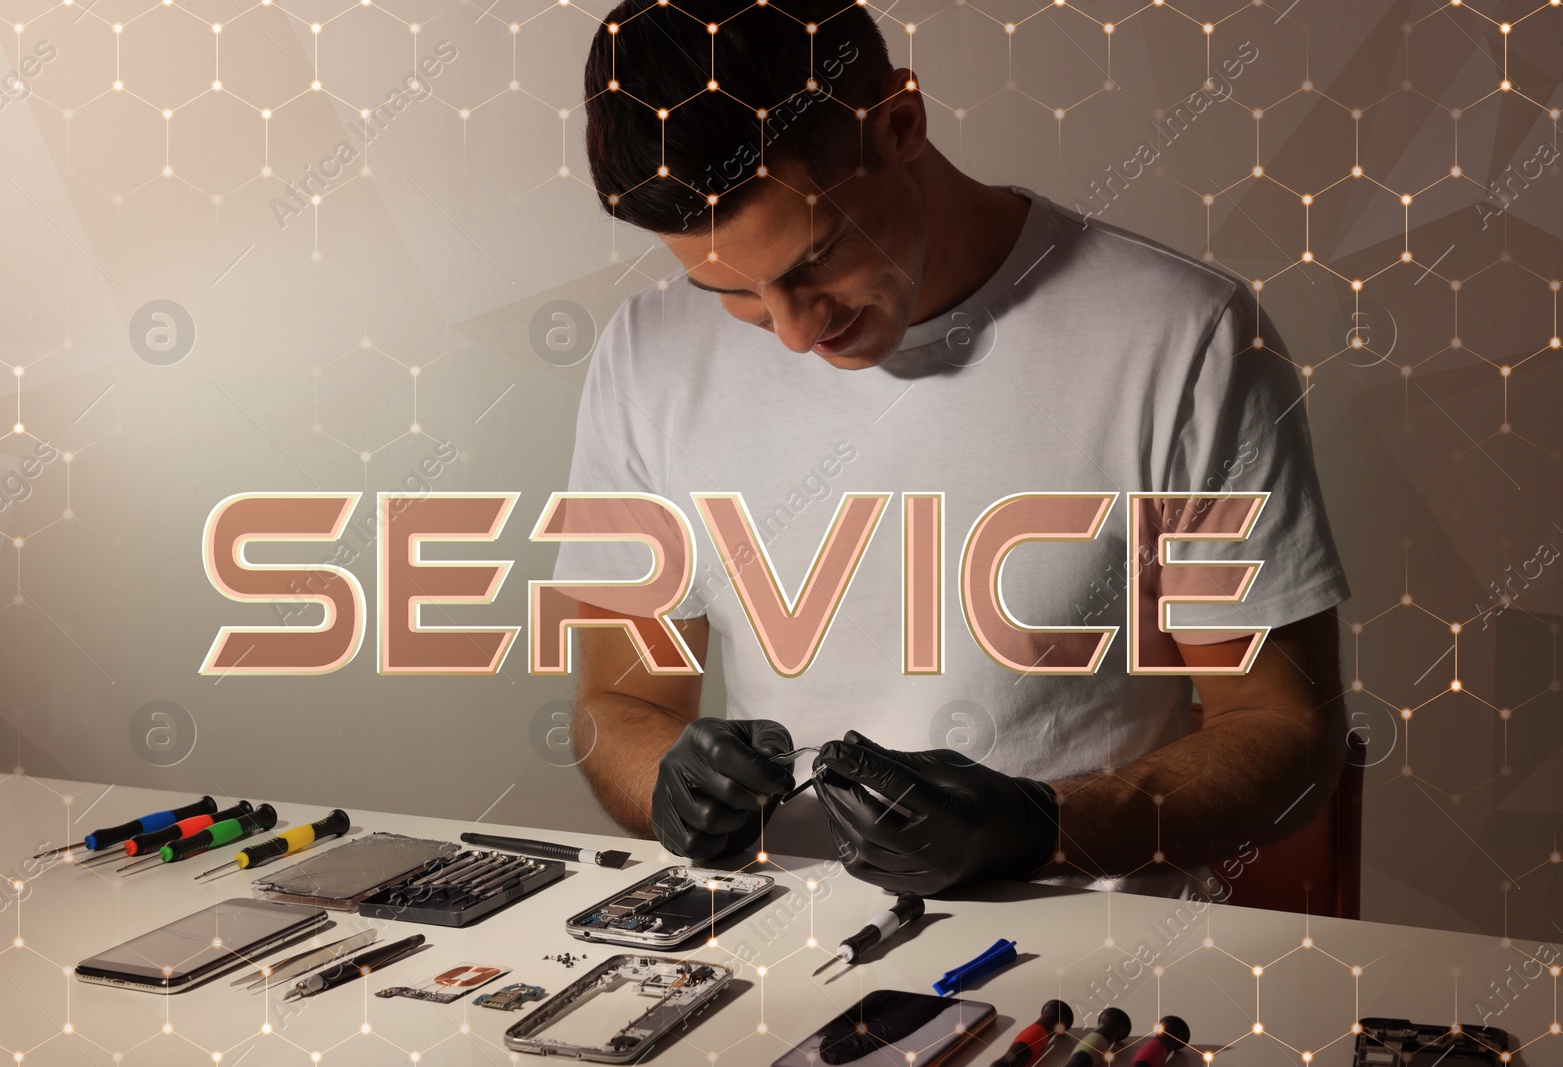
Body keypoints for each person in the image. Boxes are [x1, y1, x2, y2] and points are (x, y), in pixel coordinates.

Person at [550, 0, 1349, 899]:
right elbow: (623, 705)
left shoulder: (1182, 335)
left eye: (814, 258)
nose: (789, 329)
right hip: (769, 958)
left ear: (900, 123)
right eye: (729, 291)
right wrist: (668, 777)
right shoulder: (645, 353)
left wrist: (1046, 825)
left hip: (1078, 978)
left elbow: (1287, 729)